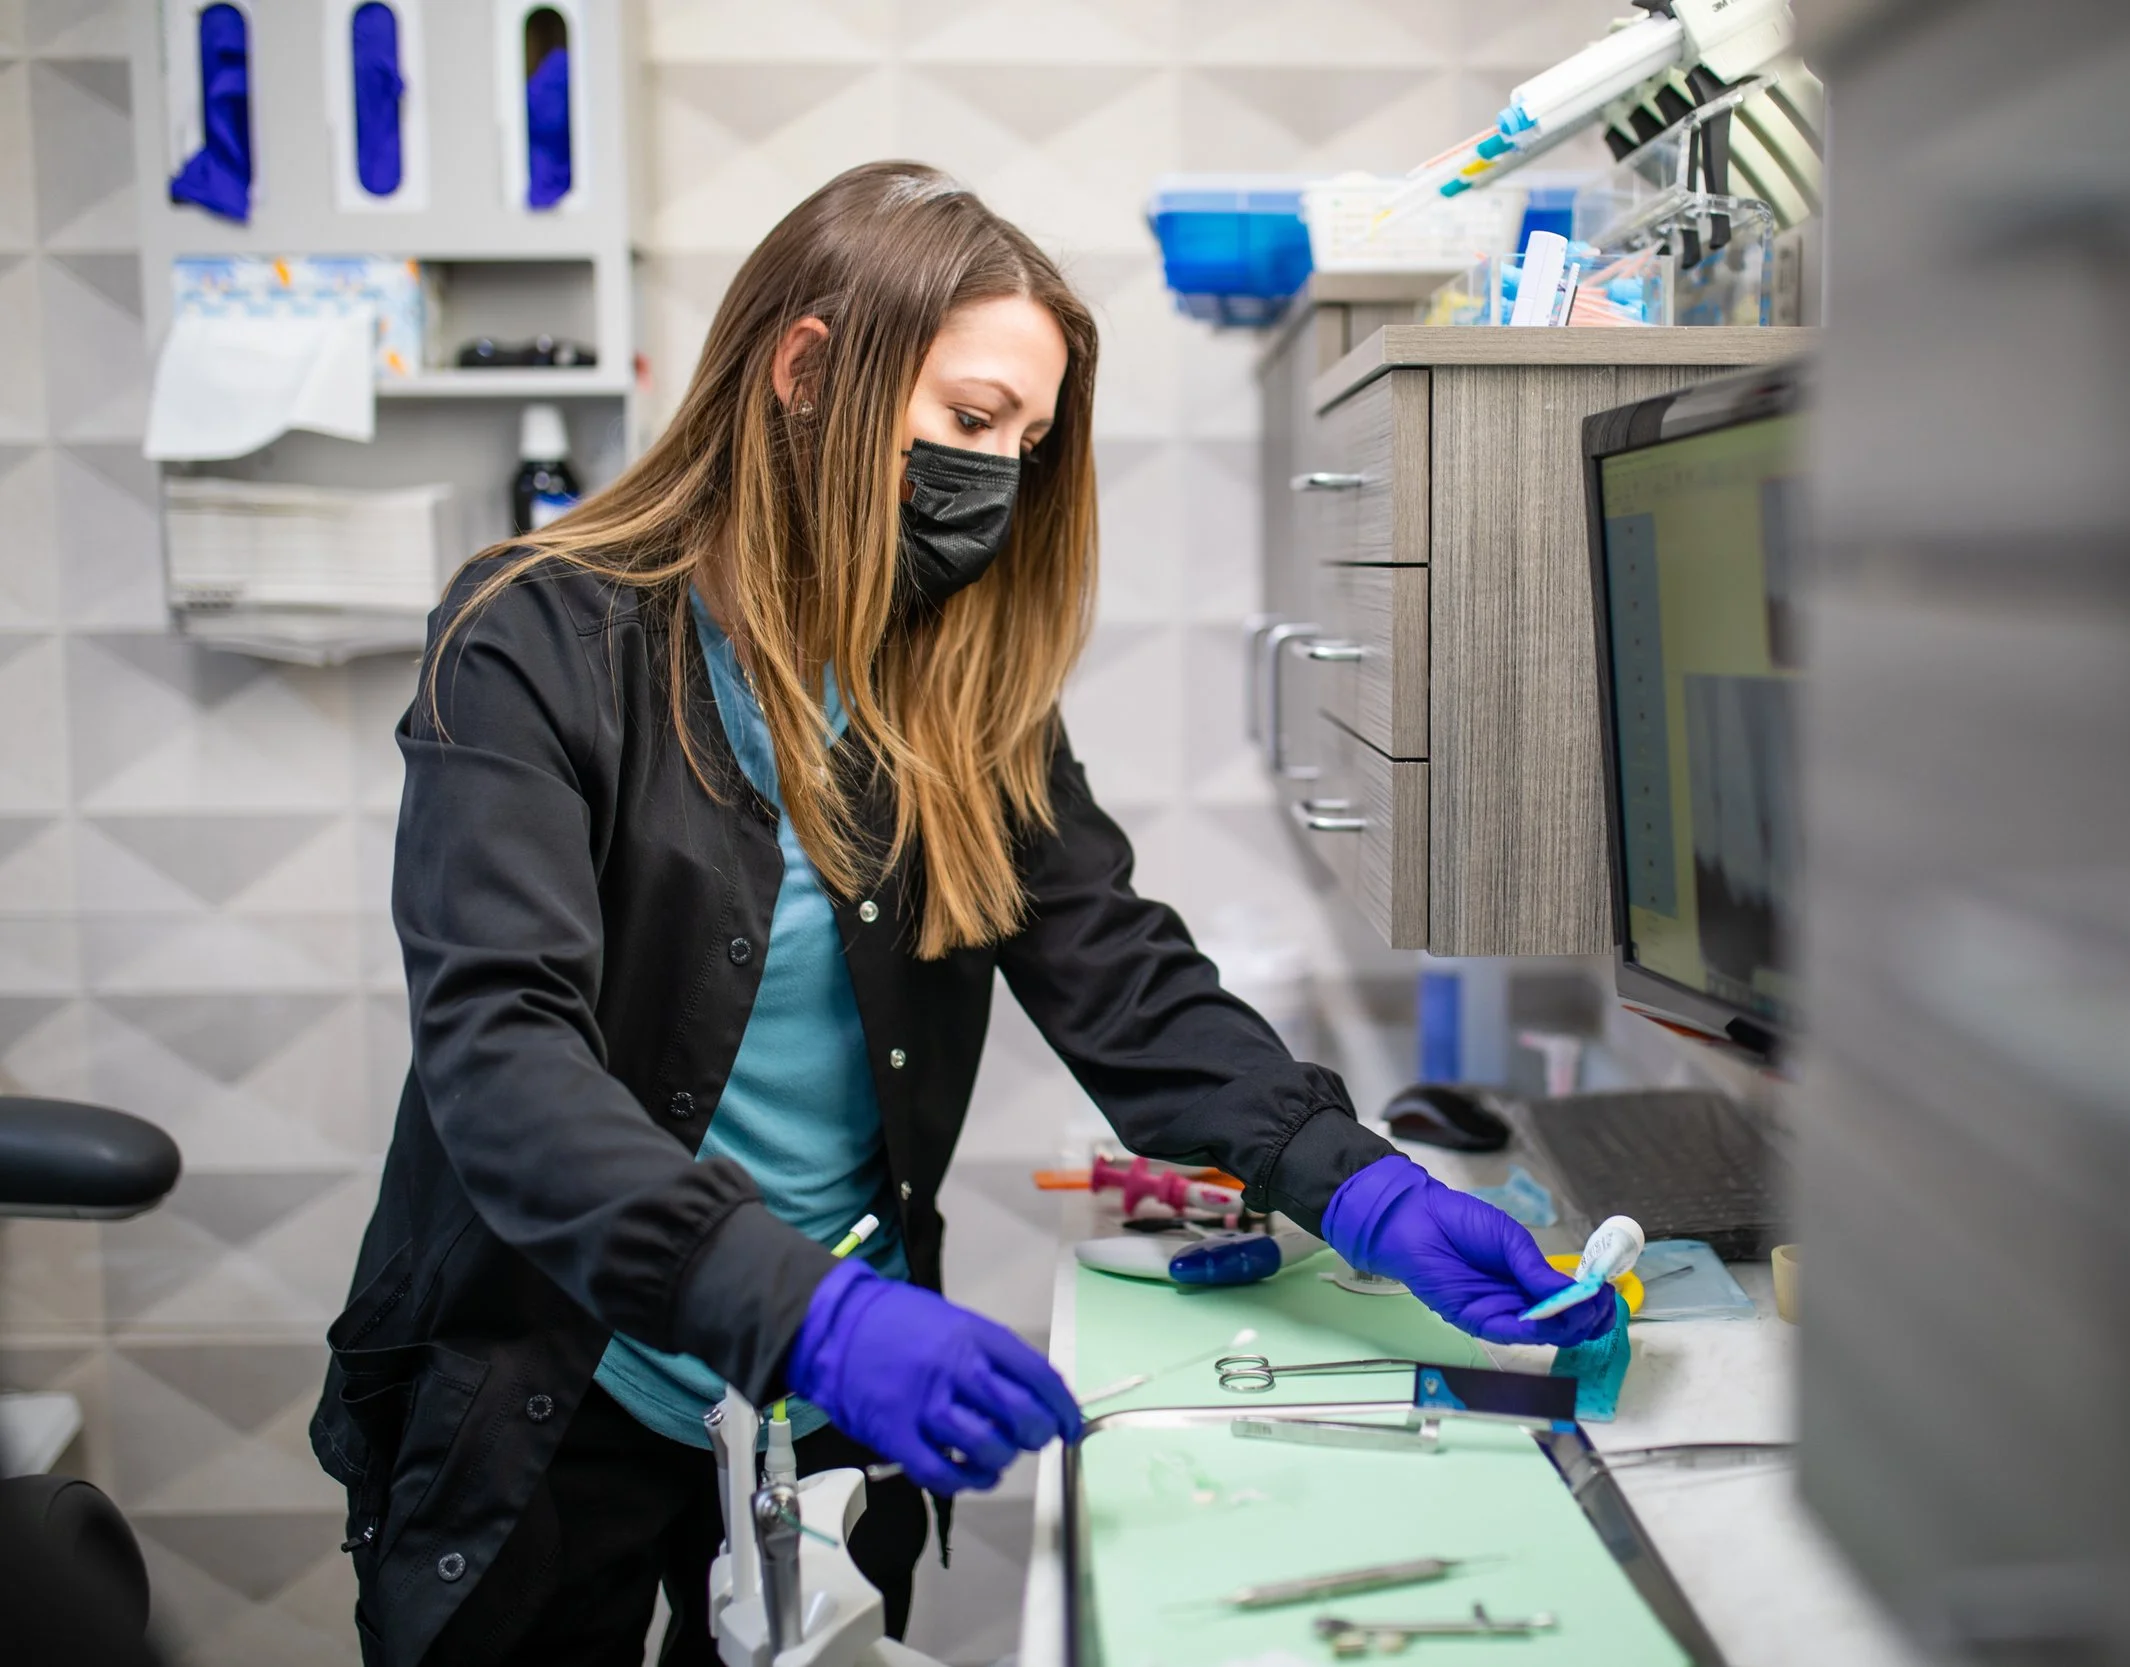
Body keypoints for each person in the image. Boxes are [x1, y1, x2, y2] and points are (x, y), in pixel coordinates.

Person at [310, 161, 1612, 1667]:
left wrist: (1361, 1188)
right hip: (561, 1394)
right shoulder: (532, 635)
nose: (999, 475)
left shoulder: (955, 688)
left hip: (823, 1414)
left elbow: (1119, 976)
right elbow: (505, 1062)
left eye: (1031, 441)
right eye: (971, 421)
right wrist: (812, 1315)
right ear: (805, 372)